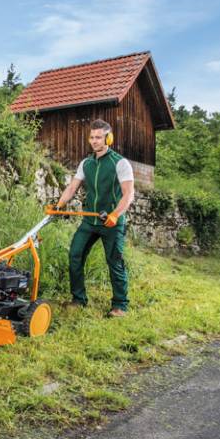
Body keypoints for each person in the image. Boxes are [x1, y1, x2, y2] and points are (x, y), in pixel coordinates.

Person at [54, 119, 135, 317]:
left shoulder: (120, 163)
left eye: (99, 137)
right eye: (92, 137)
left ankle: (120, 305)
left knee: (115, 262)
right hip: (90, 221)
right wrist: (58, 205)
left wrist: (115, 214)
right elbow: (72, 187)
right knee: (75, 255)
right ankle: (78, 299)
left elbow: (129, 194)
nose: (94, 141)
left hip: (112, 222)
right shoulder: (86, 163)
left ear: (109, 138)